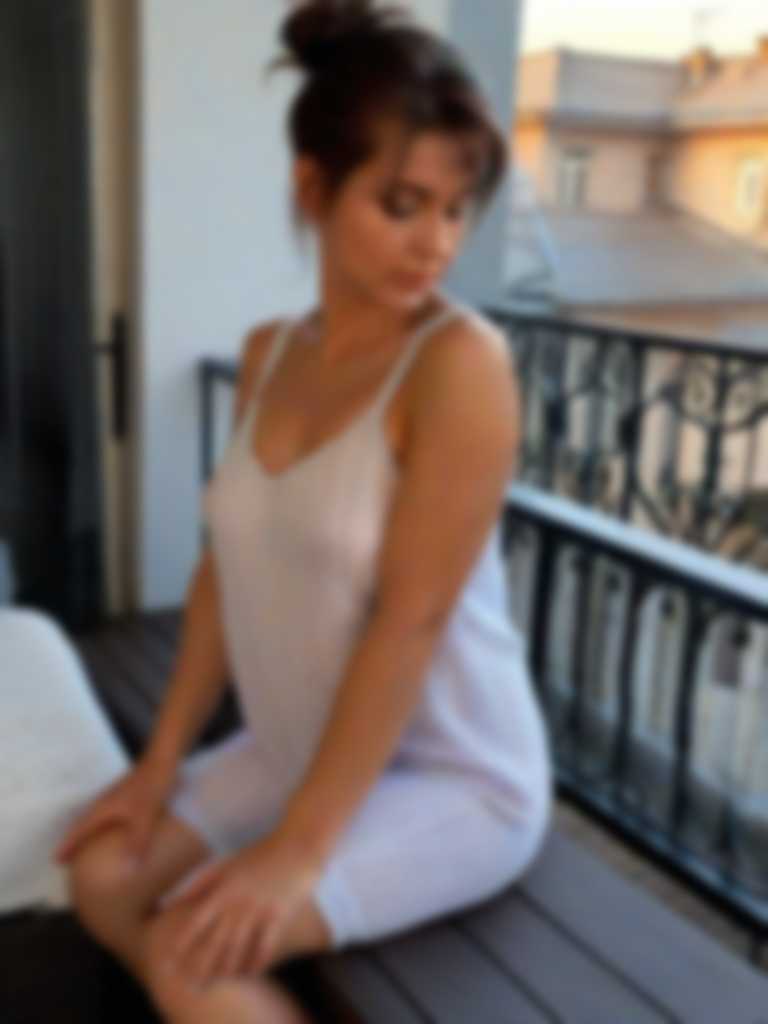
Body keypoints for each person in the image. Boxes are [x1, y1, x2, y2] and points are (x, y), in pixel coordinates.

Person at [54, 2, 554, 1021]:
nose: (436, 243)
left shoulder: (460, 366)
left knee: (192, 953)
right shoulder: (270, 353)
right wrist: (156, 767)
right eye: (402, 205)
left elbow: (410, 622)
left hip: (454, 774)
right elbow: (221, 574)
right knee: (101, 874)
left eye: (456, 209)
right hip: (299, 745)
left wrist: (298, 851)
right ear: (313, 187)